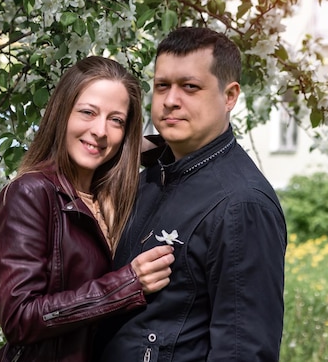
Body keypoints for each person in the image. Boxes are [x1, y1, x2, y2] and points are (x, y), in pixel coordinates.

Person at [96, 28, 287, 361]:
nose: (171, 100)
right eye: (162, 86)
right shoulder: (150, 179)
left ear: (230, 97)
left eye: (190, 87)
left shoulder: (242, 205)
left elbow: (243, 351)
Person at [0, 56, 175, 362]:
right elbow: (18, 317)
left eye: (116, 120)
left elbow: (172, 154)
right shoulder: (31, 193)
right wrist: (127, 284)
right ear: (62, 113)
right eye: (88, 112)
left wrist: (127, 145)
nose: (100, 130)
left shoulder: (113, 195)